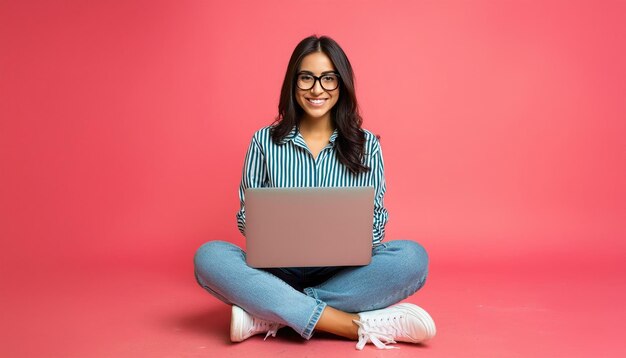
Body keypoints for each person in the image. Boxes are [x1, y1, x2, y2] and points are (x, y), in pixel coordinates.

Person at [194, 35, 436, 350]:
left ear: (342, 84)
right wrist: (265, 224)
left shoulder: (366, 145)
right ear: (293, 84)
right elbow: (246, 218)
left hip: (344, 273)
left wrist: (349, 233)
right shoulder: (264, 142)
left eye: (328, 79)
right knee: (209, 256)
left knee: (412, 258)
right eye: (306, 77)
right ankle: (350, 324)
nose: (317, 89)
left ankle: (274, 313)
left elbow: (377, 222)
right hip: (277, 270)